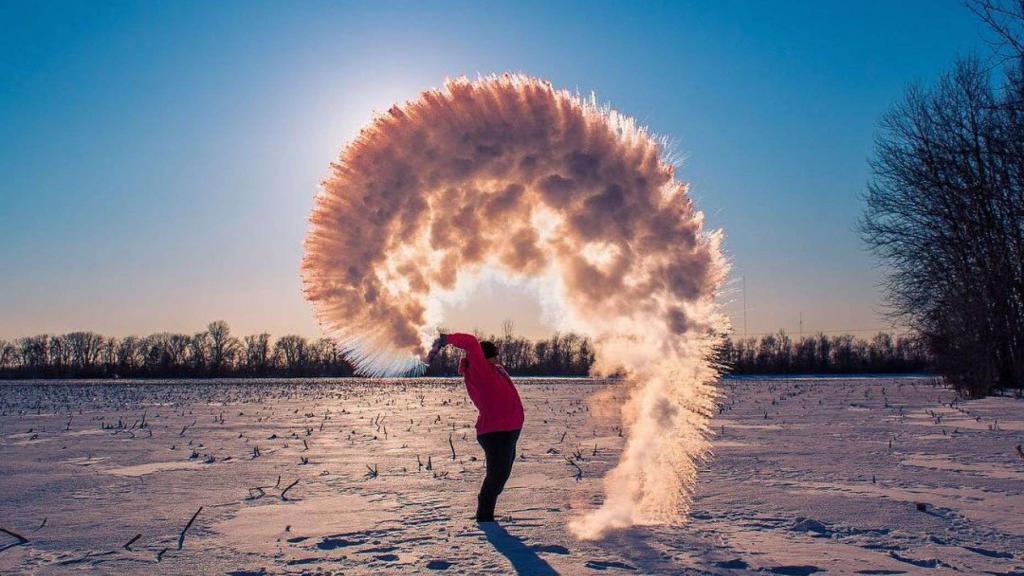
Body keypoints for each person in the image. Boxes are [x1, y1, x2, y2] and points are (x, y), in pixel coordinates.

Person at [425, 333, 525, 522]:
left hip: (508, 430)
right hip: (496, 432)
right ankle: (485, 518)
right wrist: (444, 339)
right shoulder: (480, 370)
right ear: (482, 356)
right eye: (494, 354)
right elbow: (470, 342)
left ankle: (486, 511)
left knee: (501, 475)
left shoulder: (494, 369)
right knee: (496, 476)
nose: (497, 358)